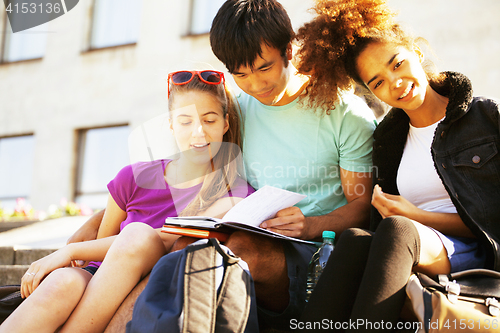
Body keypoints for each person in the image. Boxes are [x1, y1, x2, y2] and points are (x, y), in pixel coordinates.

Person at [69, 1, 376, 331]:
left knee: (228, 251)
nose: (256, 85)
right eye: (240, 74)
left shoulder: (345, 113)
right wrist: (101, 221)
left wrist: (312, 224)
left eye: (264, 68)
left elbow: (362, 205)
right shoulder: (236, 110)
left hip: (311, 252)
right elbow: (184, 171)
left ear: (288, 50)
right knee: (185, 244)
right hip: (233, 228)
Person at [294, 0, 500, 330]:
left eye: (397, 63)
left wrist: (414, 215)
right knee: (355, 241)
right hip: (414, 248)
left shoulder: (484, 118)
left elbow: (491, 220)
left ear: (416, 52)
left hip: (479, 255)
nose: (395, 81)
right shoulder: (388, 140)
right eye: (377, 82)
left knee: (397, 229)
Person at [0, 70, 254, 333]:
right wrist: (72, 259)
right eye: (185, 121)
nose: (198, 132)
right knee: (63, 282)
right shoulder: (134, 177)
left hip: (155, 287)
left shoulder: (234, 191)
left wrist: (69, 251)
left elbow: (165, 237)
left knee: (136, 235)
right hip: (100, 285)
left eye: (209, 120)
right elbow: (98, 254)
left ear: (225, 123)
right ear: (171, 124)